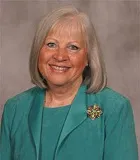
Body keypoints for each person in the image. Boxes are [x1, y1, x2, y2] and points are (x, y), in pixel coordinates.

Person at [0, 6, 138, 160]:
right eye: (51, 44)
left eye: (73, 47)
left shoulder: (114, 108)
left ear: (88, 58)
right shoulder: (15, 109)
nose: (60, 56)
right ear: (38, 50)